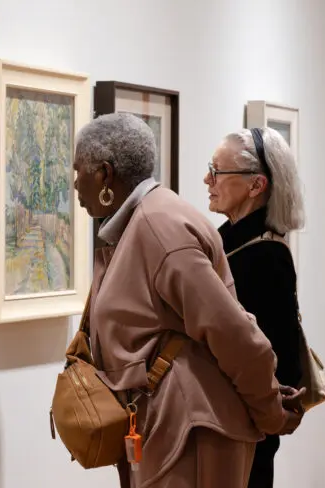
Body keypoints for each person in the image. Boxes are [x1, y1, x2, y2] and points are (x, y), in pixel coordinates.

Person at [72, 113, 303, 488]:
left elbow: (235, 335)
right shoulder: (140, 224)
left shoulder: (159, 229)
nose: (74, 183)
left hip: (192, 438)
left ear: (104, 175)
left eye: (78, 170)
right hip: (169, 433)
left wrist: (271, 413)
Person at [205, 127, 305, 488]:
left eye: (217, 171)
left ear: (256, 185)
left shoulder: (267, 256)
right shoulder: (225, 242)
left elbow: (278, 359)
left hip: (245, 434)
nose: (207, 180)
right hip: (221, 425)